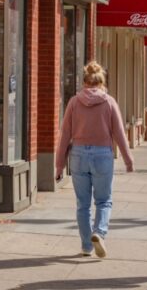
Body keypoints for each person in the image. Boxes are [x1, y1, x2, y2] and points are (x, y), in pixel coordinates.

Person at [56, 62, 134, 258]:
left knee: (82, 204)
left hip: (79, 155)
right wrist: (128, 159)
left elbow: (65, 134)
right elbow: (119, 133)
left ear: (84, 81)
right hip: (102, 155)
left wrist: (58, 166)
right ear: (102, 81)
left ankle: (86, 246)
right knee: (104, 201)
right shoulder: (109, 102)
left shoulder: (74, 102)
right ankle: (99, 232)